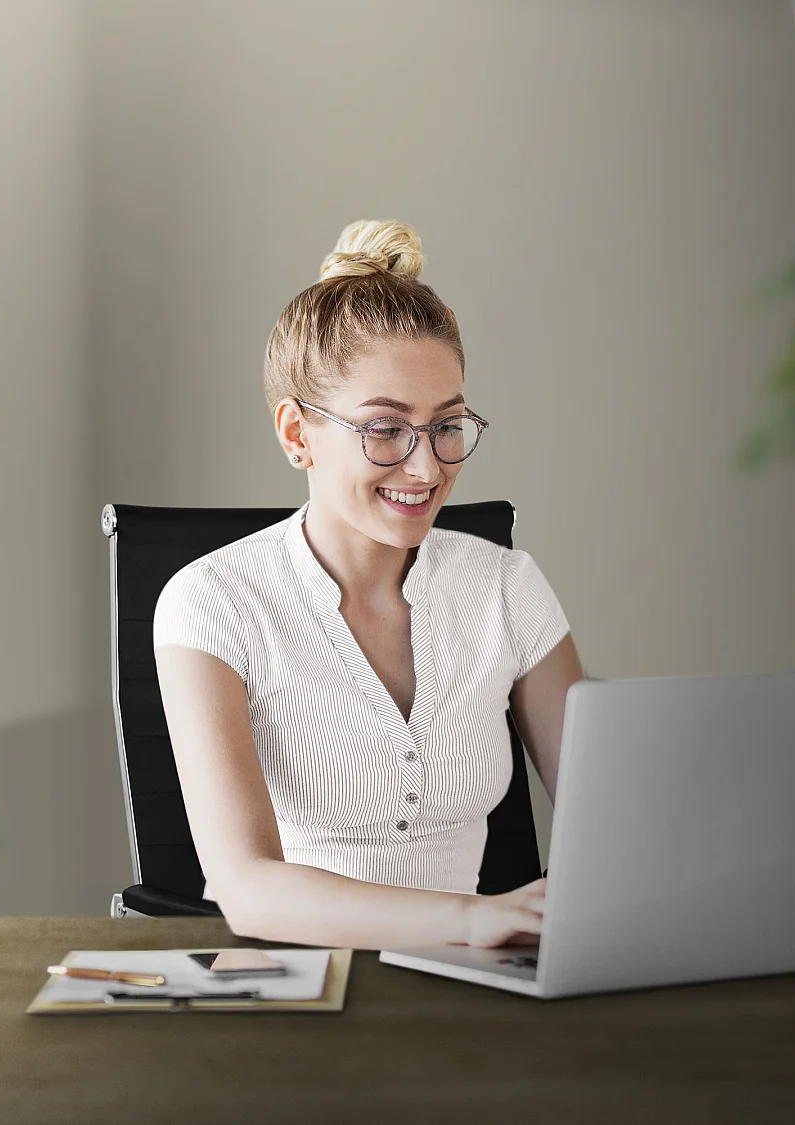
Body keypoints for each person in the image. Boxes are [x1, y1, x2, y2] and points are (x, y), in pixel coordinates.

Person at [153, 219, 585, 951]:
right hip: (291, 987)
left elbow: (613, 822)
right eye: (385, 429)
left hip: (470, 988)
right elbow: (247, 887)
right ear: (297, 433)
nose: (426, 468)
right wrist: (472, 918)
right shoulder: (212, 603)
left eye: (448, 425)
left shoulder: (505, 587)